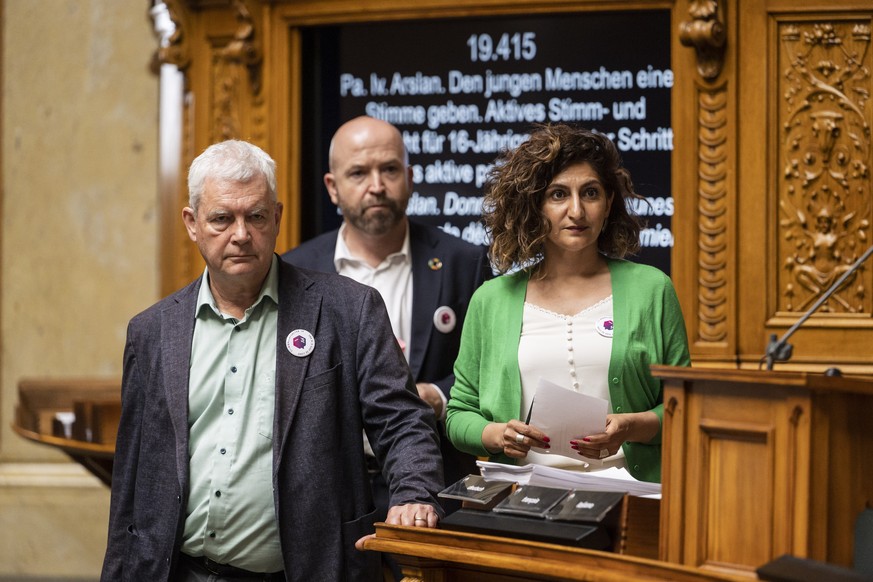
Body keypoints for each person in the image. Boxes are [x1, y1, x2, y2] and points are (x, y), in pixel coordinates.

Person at [101, 140, 443, 582]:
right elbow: (131, 474)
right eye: (222, 218)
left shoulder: (348, 311)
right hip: (176, 571)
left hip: (307, 569)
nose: (240, 234)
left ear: (277, 217)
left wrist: (414, 494)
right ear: (192, 223)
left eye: (256, 216)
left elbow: (401, 420)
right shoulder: (151, 332)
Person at [446, 124, 690, 484]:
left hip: (631, 495)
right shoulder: (491, 300)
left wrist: (631, 426)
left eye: (590, 193)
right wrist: (498, 435)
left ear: (608, 203)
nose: (576, 210)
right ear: (535, 206)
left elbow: (685, 408)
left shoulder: (652, 289)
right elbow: (458, 415)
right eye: (558, 195)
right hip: (521, 496)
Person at [282, 116, 491, 509]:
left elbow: (492, 371)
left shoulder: (462, 262)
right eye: (358, 173)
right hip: (326, 494)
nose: (376, 186)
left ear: (409, 177)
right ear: (333, 187)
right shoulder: (294, 270)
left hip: (436, 485)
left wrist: (440, 398)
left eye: (389, 169)